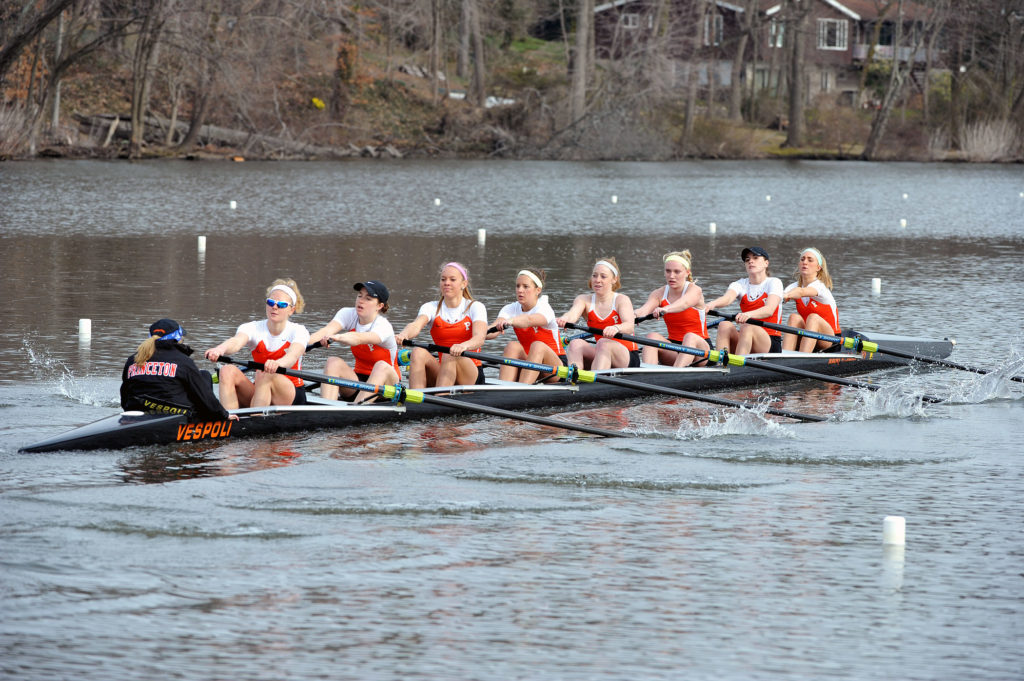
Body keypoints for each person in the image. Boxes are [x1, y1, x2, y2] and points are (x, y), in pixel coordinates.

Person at [204, 278, 310, 408]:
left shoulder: (299, 330)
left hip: (290, 394)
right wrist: (220, 349)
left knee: (265, 373)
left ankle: (256, 417)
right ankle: (229, 419)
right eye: (271, 302)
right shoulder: (252, 327)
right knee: (226, 370)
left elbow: (292, 356)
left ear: (291, 310)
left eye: (281, 304)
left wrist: (278, 364)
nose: (274, 307)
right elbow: (236, 342)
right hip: (261, 387)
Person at [394, 262, 488, 389]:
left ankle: (440, 396)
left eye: (452, 279)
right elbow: (416, 325)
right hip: (444, 369)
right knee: (417, 352)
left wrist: (463, 346)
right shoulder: (430, 307)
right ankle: (415, 399)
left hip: (470, 373)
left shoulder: (475, 307)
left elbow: (479, 338)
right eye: (443, 279)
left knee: (450, 353)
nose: (446, 283)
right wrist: (404, 334)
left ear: (463, 284)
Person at [121, 318, 233, 421]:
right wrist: (224, 415)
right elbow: (204, 395)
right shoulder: (183, 361)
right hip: (177, 413)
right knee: (204, 375)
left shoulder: (133, 359)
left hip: (137, 409)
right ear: (178, 337)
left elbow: (124, 394)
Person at [308, 280, 401, 403]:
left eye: (368, 299)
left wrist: (338, 337)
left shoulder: (383, 326)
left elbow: (359, 338)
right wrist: (302, 346)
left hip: (387, 386)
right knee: (333, 362)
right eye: (359, 295)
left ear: (379, 306)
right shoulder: (348, 314)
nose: (361, 300)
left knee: (381, 366)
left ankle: (356, 409)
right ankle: (326, 408)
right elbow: (326, 330)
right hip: (359, 381)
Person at [556, 257, 639, 370]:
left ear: (614, 279)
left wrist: (616, 327)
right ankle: (573, 380)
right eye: (594, 275)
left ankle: (594, 382)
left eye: (603, 276)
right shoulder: (583, 300)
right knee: (575, 343)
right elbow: (572, 315)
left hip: (627, 357)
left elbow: (629, 326)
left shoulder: (622, 300)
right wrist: (564, 319)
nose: (597, 280)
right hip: (602, 351)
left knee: (603, 342)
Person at [634, 250, 710, 367]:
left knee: (689, 336)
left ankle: (675, 375)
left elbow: (684, 303)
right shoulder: (658, 293)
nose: (671, 276)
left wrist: (665, 309)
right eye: (668, 271)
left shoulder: (695, 290)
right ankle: (648, 375)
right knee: (651, 337)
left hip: (700, 352)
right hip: (674, 349)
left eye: (677, 272)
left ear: (687, 272)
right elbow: (644, 310)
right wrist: (632, 316)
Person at [489, 268, 565, 384]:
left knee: (537, 346)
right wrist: (475, 335)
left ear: (537, 290)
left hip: (556, 369)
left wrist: (511, 321)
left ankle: (522, 389)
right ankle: (503, 389)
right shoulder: (510, 308)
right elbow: (493, 330)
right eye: (518, 286)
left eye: (525, 287)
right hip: (531, 364)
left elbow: (529, 320)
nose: (520, 290)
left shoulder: (544, 308)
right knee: (512, 346)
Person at [705, 246, 784, 354]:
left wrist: (748, 315)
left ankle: (738, 367)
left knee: (747, 326)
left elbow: (769, 309)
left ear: (766, 263)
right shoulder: (740, 284)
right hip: (746, 337)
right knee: (724, 325)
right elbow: (727, 298)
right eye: (747, 260)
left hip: (770, 341)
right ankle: (721, 364)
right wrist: (711, 304)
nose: (750, 261)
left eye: (755, 258)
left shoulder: (774, 282)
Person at [782, 247, 841, 352]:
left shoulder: (820, 286)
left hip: (830, 340)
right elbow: (778, 299)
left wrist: (786, 295)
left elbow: (801, 292)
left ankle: (802, 357)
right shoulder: (792, 287)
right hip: (809, 335)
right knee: (794, 317)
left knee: (813, 317)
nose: (805, 262)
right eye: (802, 259)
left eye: (810, 260)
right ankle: (784, 356)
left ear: (818, 267)